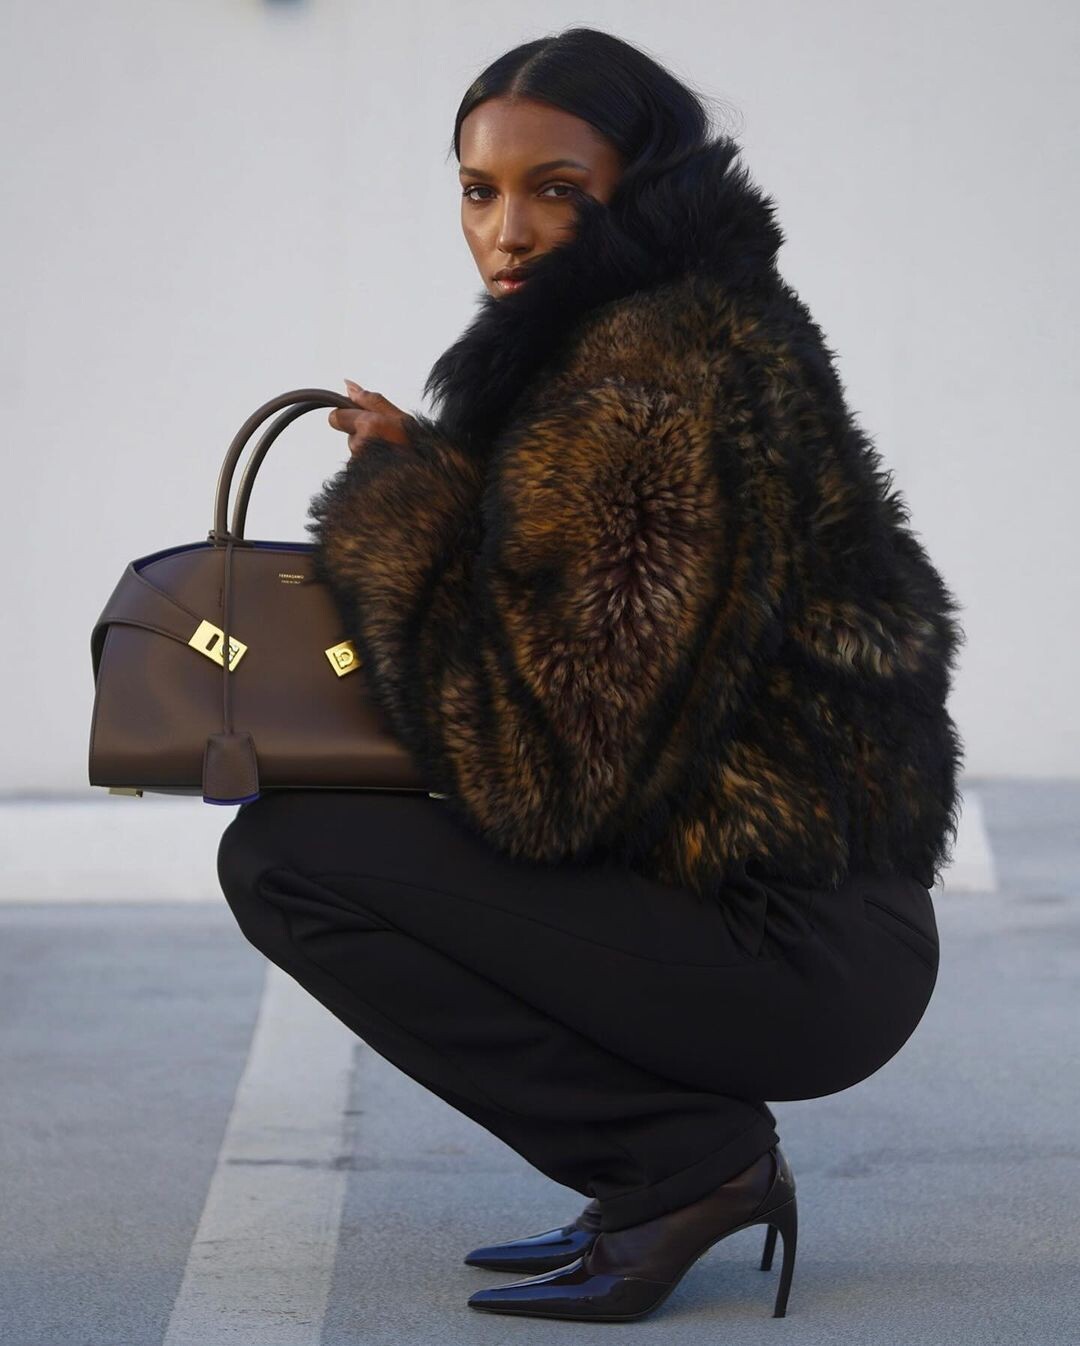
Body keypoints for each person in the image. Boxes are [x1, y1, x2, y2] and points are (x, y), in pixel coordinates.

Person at [216, 25, 963, 1324]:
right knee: (332, 844)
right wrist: (446, 475)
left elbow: (544, 782)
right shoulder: (681, 332)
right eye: (479, 189)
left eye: (555, 189)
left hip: (786, 942)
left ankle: (685, 1167)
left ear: (637, 186)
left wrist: (400, 518)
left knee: (288, 858)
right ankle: (672, 1164)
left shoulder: (647, 379)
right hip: (799, 911)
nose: (505, 232)